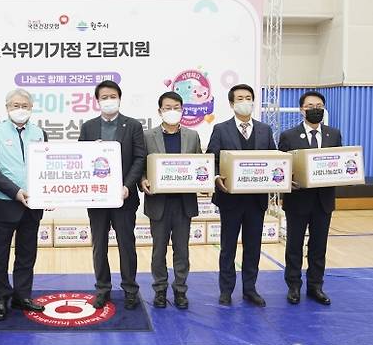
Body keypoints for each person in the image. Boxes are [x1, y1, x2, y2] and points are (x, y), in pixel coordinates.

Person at [206, 83, 276, 307]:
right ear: (231, 103)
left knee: (253, 246)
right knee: (228, 247)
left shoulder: (265, 130)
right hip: (230, 199)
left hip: (256, 199)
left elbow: (275, 159)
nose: (245, 102)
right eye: (240, 98)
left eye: (248, 98)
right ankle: (226, 290)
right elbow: (211, 159)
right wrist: (216, 177)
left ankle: (250, 289)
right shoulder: (221, 129)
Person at [78, 80, 145, 310]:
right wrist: (90, 151)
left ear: (119, 98)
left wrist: (127, 185)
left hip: (124, 197)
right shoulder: (88, 127)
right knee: (99, 245)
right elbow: (80, 159)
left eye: (112, 96)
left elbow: (139, 158)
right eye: (104, 97)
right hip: (97, 198)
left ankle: (130, 289)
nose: (109, 100)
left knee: (126, 244)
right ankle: (102, 289)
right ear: (97, 101)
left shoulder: (133, 125)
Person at [0, 88, 47, 321]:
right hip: (5, 203)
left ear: (31, 108)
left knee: (27, 254)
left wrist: (49, 194)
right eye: (15, 105)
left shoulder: (40, 133)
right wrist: (15, 192)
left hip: (33, 205)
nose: (20, 109)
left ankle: (22, 296)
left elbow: (47, 166)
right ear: (7, 107)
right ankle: (1, 298)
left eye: (24, 106)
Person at [140, 91, 202, 309]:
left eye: (176, 107)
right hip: (159, 203)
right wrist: (143, 180)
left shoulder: (192, 136)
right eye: (168, 108)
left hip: (184, 203)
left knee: (182, 250)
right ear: (160, 111)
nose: (172, 111)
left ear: (182, 110)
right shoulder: (148, 136)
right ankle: (159, 290)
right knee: (158, 251)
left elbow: (200, 165)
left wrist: (203, 181)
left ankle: (180, 290)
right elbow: (141, 166)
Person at [279, 91, 341, 306]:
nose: (315, 109)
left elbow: (339, 163)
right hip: (298, 200)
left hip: (324, 201)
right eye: (310, 106)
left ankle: (316, 286)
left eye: (319, 106)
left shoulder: (334, 134)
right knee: (294, 246)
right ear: (301, 110)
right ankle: (293, 286)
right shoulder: (288, 136)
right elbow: (282, 168)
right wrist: (288, 181)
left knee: (318, 246)